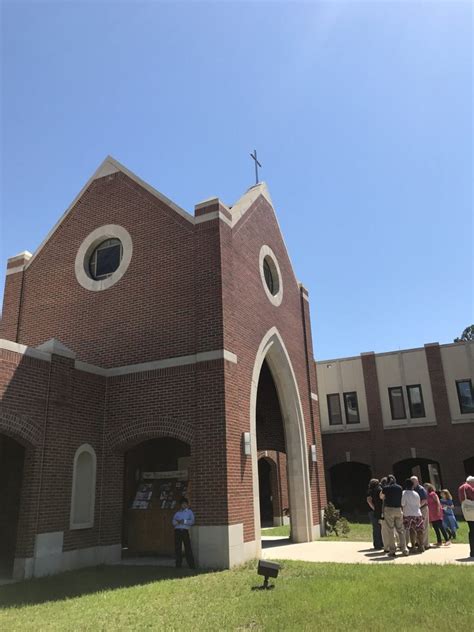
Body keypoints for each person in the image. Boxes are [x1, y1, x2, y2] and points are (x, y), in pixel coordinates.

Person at [380, 475, 409, 557]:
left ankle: (392, 550)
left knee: (390, 530)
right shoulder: (400, 488)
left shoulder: (386, 488)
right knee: (400, 530)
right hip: (398, 509)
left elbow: (381, 497)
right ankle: (404, 548)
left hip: (389, 509)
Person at [401, 479, 424, 552]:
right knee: (419, 530)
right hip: (418, 514)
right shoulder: (416, 493)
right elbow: (419, 504)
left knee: (411, 530)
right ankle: (421, 546)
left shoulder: (404, 493)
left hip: (408, 514)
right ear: (413, 486)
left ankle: (413, 547)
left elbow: (402, 503)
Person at [172, 497, 196, 569]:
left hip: (185, 531)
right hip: (177, 531)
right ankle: (178, 565)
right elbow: (173, 522)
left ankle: (191, 565)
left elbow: (192, 521)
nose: (184, 505)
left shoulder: (189, 512)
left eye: (185, 504)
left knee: (187, 548)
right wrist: (178, 522)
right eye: (183, 504)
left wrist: (184, 521)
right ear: (180, 505)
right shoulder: (177, 513)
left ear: (187, 505)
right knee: (178, 548)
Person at [410, 475, 430, 549]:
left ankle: (425, 544)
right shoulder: (411, 489)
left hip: (423, 509)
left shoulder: (421, 489)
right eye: (412, 481)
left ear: (417, 481)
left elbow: (424, 500)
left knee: (424, 526)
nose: (413, 483)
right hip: (415, 510)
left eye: (414, 481)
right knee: (416, 527)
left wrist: (418, 507)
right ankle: (418, 543)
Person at [458, 475, 474, 558]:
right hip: (472, 512)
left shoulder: (461, 488)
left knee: (471, 531)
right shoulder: (468, 487)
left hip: (468, 513)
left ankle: (472, 551)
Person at [366, 478, 384, 550]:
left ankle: (381, 543)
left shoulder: (376, 490)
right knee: (376, 528)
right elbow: (369, 501)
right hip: (373, 511)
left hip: (375, 511)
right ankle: (377, 545)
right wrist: (375, 509)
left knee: (379, 527)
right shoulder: (370, 491)